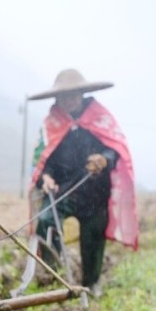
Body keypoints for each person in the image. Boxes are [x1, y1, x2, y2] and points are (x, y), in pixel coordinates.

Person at [28, 69, 138, 297]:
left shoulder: (99, 117)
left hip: (96, 193)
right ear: (56, 98)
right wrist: (45, 178)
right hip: (64, 190)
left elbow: (115, 149)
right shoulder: (52, 123)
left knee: (93, 240)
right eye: (63, 96)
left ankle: (91, 283)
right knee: (46, 220)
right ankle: (53, 273)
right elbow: (42, 160)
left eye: (72, 95)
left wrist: (103, 159)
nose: (68, 100)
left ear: (82, 94)